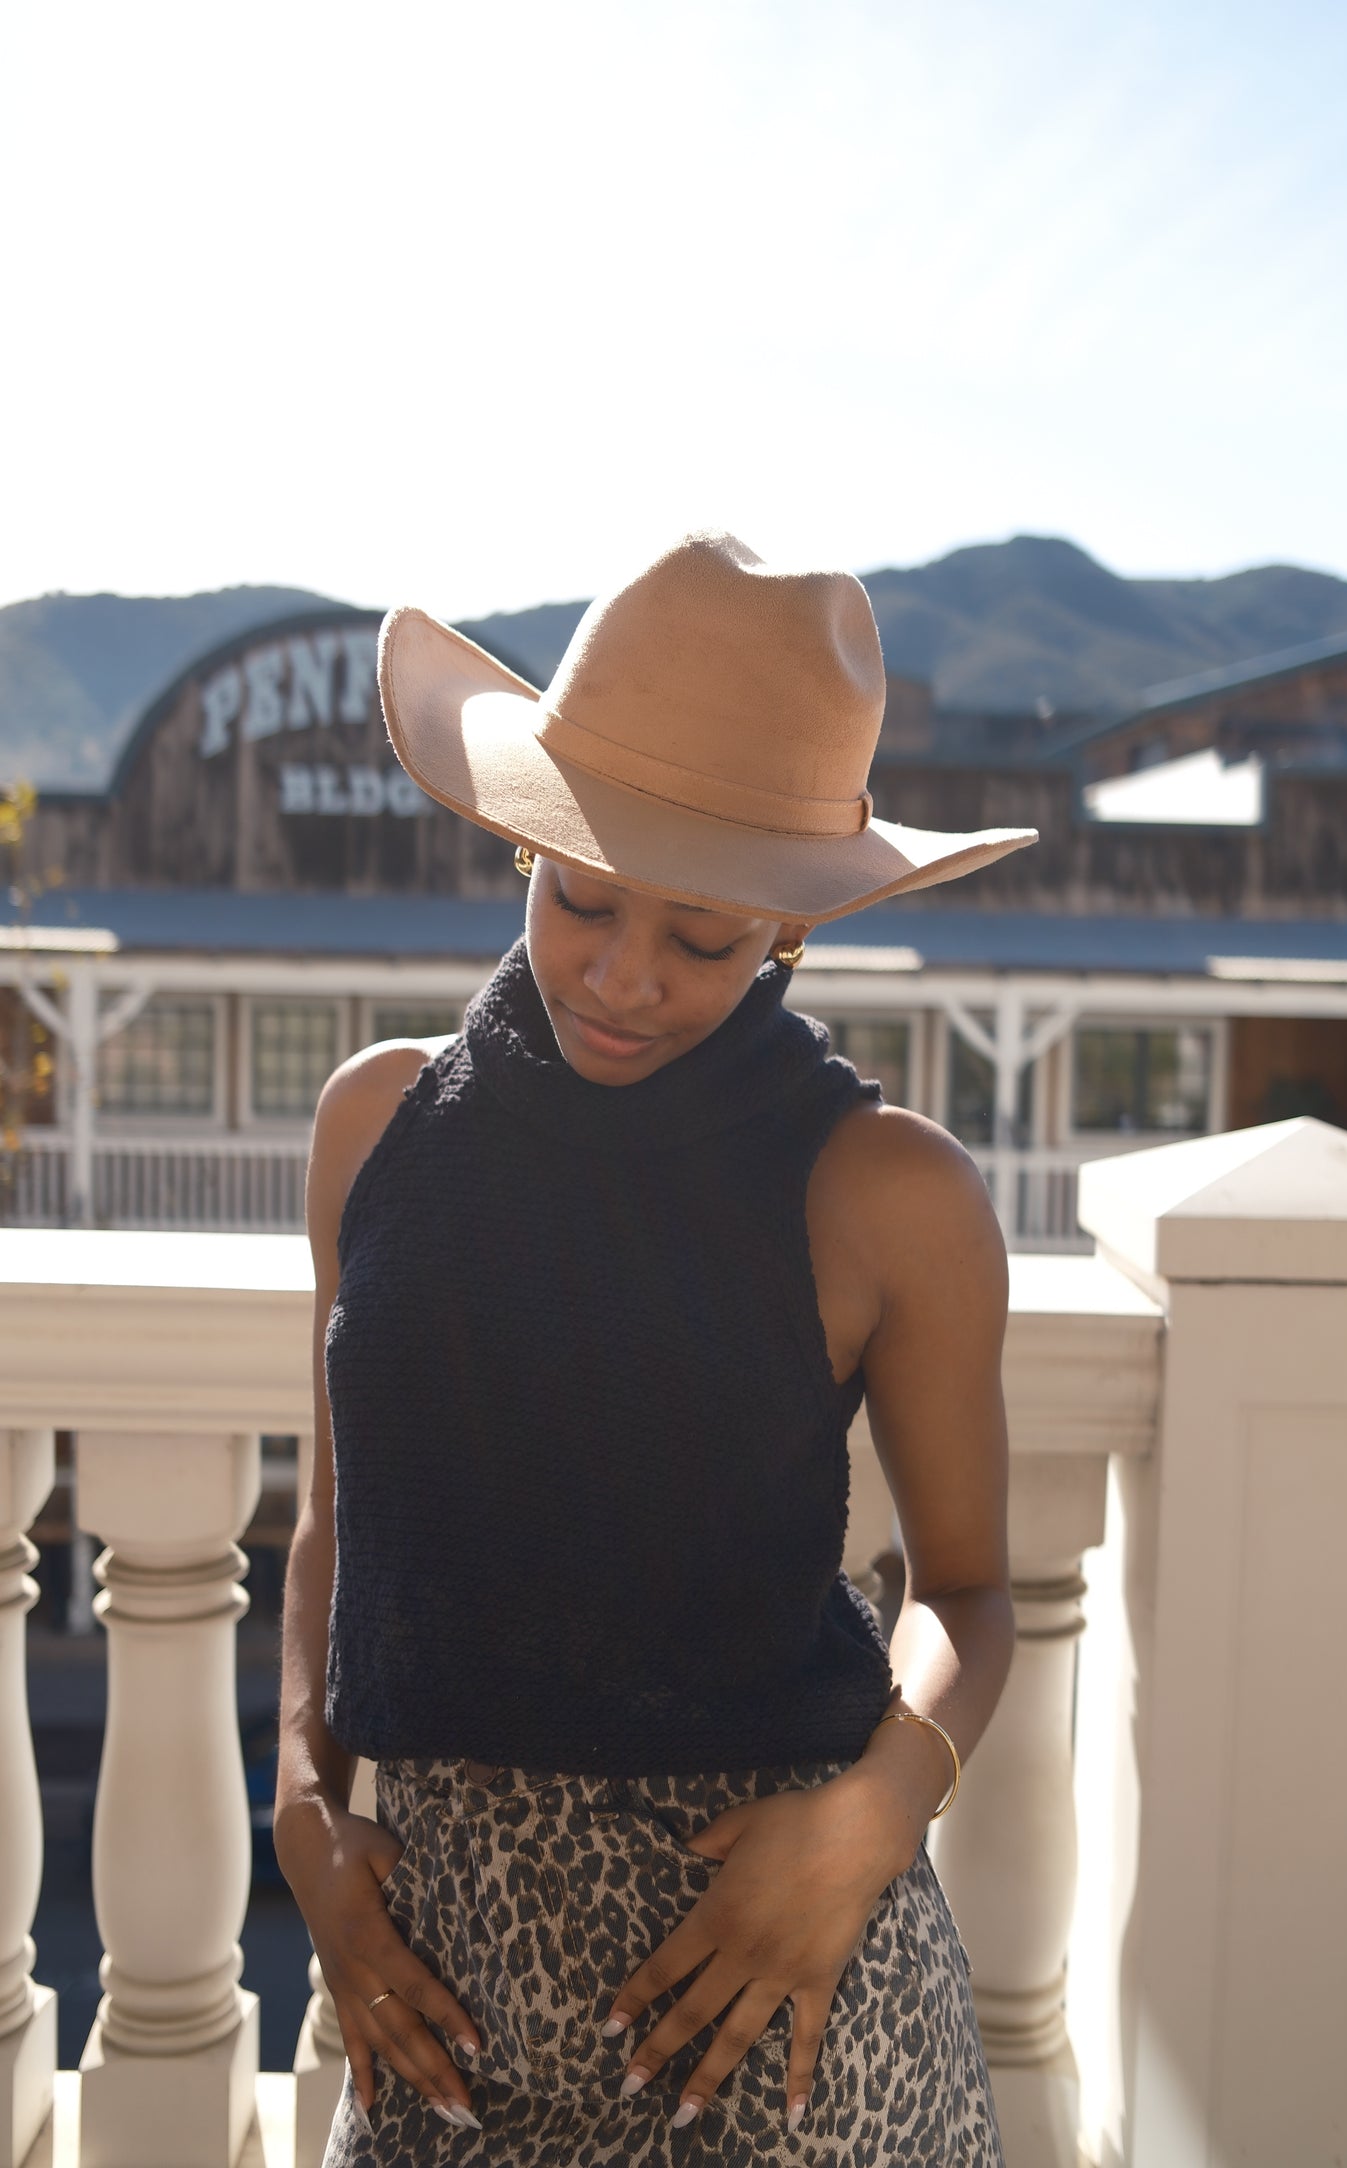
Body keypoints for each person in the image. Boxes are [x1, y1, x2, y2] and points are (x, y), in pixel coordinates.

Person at [275, 529, 1037, 2166]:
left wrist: (865, 1826)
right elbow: (340, 1527)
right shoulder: (376, 1127)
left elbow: (970, 1595)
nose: (619, 979)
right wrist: (301, 1807)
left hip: (784, 2025)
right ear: (524, 855)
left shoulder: (886, 1190)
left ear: (788, 931)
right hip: (439, 2007)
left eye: (699, 941)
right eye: (581, 900)